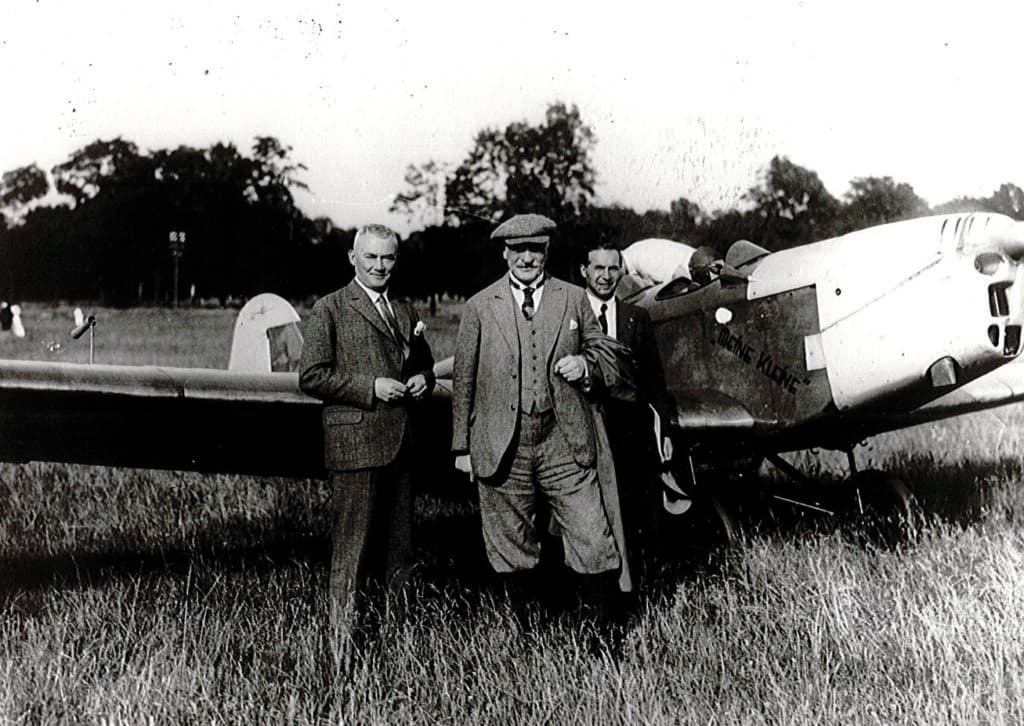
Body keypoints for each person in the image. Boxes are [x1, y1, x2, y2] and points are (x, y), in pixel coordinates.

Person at [451, 213, 631, 637]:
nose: (527, 258)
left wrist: (586, 365)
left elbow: (608, 352)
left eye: (535, 250)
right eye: (518, 250)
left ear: (547, 252)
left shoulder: (572, 298)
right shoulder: (480, 306)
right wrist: (462, 447)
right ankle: (528, 634)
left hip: (562, 440)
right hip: (501, 443)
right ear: (505, 253)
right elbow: (463, 380)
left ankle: (600, 636)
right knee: (511, 541)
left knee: (591, 533)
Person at [299, 224, 435, 673]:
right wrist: (369, 387)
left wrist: (423, 379)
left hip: (401, 446)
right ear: (352, 258)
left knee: (401, 555)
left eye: (388, 258)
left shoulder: (404, 308)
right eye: (371, 258)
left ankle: (399, 650)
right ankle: (341, 655)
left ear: (396, 260)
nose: (380, 267)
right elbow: (311, 376)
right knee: (351, 554)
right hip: (355, 446)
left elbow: (423, 362)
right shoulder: (330, 309)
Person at [580, 242, 675, 587]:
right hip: (586, 428)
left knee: (638, 510)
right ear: (584, 272)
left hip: (631, 431)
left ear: (621, 272)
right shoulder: (571, 317)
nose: (605, 277)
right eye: (598, 269)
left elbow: (654, 380)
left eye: (612, 269)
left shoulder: (637, 317)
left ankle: (639, 583)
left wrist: (663, 429)